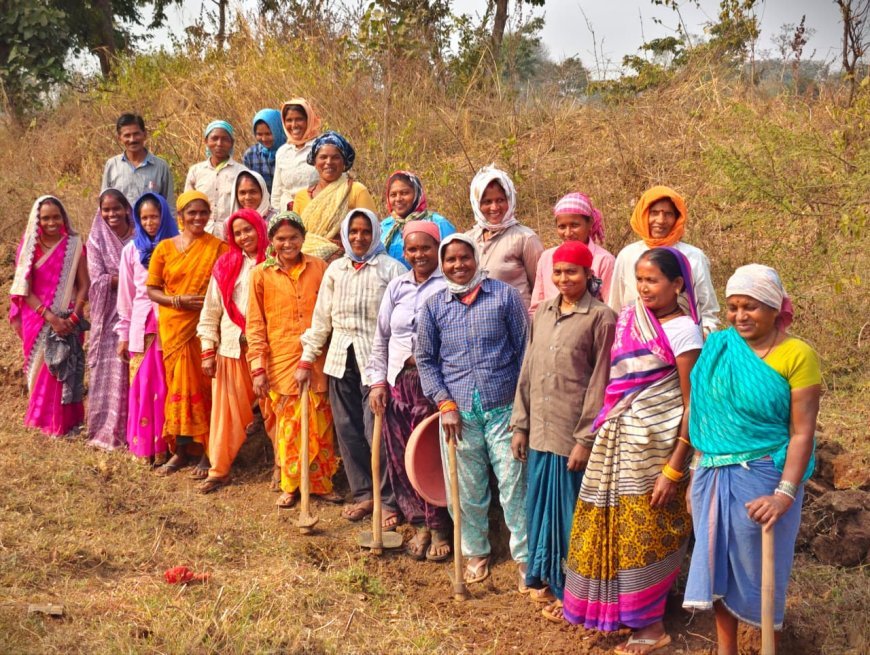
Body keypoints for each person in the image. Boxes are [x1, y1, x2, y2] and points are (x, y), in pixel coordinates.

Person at [561, 247, 702, 655]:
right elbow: (616, 384)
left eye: (653, 280)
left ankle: (652, 626)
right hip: (617, 442)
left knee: (646, 531)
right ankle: (621, 613)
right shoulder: (629, 318)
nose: (644, 288)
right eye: (639, 279)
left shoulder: (685, 332)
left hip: (657, 451)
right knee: (610, 527)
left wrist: (674, 467)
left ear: (677, 284)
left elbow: (692, 404)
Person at [683, 265, 821, 655]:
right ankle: (726, 649)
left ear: (775, 308)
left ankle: (767, 647)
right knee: (718, 567)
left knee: (760, 570)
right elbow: (703, 418)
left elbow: (802, 433)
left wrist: (783, 495)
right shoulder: (717, 348)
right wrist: (693, 475)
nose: (740, 316)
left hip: (765, 477)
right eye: (733, 307)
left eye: (751, 307)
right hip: (711, 476)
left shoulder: (798, 355)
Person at [416, 233, 529, 589]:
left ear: (476, 258)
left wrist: (522, 409)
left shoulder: (503, 296)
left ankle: (525, 557)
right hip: (459, 413)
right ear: (442, 264)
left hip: (504, 408)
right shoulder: (434, 306)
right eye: (450, 259)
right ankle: (476, 552)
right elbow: (425, 360)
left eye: (464, 257)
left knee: (514, 484)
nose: (458, 265)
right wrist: (444, 402)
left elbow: (524, 351)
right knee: (465, 488)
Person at [510, 240, 616, 619]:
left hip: (571, 437)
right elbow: (528, 369)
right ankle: (546, 578)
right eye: (557, 272)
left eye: (572, 271)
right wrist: (520, 425)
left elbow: (601, 382)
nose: (563, 278)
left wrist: (585, 439)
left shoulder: (601, 318)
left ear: (589, 274)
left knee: (570, 518)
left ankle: (572, 592)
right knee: (540, 510)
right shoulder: (543, 312)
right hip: (540, 430)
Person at [298, 209, 405, 521]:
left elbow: (400, 322)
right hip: (340, 360)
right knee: (347, 430)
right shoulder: (336, 270)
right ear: (345, 234)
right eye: (354, 232)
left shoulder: (391, 269)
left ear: (375, 233)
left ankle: (388, 500)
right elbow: (322, 319)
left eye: (365, 231)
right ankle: (364, 494)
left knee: (378, 433)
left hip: (377, 363)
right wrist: (307, 358)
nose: (359, 238)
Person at [366, 221, 453, 561]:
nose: (419, 255)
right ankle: (419, 523)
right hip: (398, 383)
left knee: (433, 457)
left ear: (438, 249)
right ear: (404, 252)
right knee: (402, 457)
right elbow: (382, 337)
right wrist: (377, 383)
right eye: (412, 249)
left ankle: (440, 526)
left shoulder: (448, 285)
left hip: (434, 384)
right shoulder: (397, 286)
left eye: (426, 248)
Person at [247, 212, 340, 507]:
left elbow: (329, 313)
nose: (288, 244)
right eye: (281, 239)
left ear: (303, 238)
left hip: (317, 358)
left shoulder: (319, 267)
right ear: (271, 241)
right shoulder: (260, 274)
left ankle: (321, 484)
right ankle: (291, 484)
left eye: (293, 238)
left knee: (320, 423)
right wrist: (258, 367)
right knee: (289, 428)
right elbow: (255, 324)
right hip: (281, 360)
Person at [146, 191, 229, 477]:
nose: (198, 218)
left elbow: (226, 287)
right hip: (174, 328)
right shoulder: (164, 248)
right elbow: (152, 288)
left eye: (203, 212)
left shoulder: (218, 248)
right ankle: (180, 451)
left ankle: (208, 450)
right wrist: (177, 300)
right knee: (177, 388)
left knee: (206, 387)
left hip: (204, 328)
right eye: (191, 213)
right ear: (180, 216)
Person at [196, 209, 269, 494]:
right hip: (230, 347)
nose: (244, 237)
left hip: (267, 349)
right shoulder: (225, 264)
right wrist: (207, 349)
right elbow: (211, 310)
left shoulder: (274, 260)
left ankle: (284, 469)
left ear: (260, 229)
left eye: (248, 230)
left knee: (275, 410)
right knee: (226, 414)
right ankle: (219, 470)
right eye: (237, 233)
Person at [9, 196, 89, 437]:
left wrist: (75, 317)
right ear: (37, 220)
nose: (51, 222)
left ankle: (66, 422)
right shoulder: (29, 247)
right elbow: (24, 289)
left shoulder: (74, 244)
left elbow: (84, 284)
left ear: (64, 218)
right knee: (43, 371)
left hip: (69, 316)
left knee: (65, 369)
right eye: (45, 218)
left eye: (56, 217)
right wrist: (52, 319)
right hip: (38, 318)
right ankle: (42, 422)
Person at [116, 192, 177, 464]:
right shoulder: (131, 250)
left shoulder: (176, 246)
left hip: (171, 327)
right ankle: (143, 448)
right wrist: (123, 334)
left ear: (164, 217)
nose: (150, 222)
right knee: (143, 387)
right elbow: (126, 296)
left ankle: (167, 447)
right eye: (144, 218)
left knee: (165, 387)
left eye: (155, 216)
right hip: (141, 328)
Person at [608, 185, 719, 334]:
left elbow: (707, 311)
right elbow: (615, 307)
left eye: (668, 214)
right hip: (635, 340)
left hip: (681, 339)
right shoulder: (627, 255)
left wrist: (700, 337)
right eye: (654, 213)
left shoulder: (693, 257)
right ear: (643, 215)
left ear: (677, 218)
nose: (661, 220)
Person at [85, 188, 135, 450]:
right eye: (106, 209)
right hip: (107, 316)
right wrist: (130, 278)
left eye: (116, 208)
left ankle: (134, 431)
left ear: (127, 209)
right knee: (110, 370)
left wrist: (130, 280)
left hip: (138, 312)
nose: (111, 213)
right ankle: (105, 429)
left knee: (135, 370)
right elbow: (97, 281)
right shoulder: (96, 240)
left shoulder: (139, 237)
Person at [466, 165, 543, 309]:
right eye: (487, 202)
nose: (494, 207)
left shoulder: (525, 238)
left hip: (517, 320)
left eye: (500, 200)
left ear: (510, 199)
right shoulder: (468, 240)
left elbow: (541, 289)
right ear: (476, 204)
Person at [293, 131, 378, 260]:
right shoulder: (301, 196)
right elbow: (294, 235)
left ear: (344, 162)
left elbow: (371, 232)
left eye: (335, 157)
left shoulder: (356, 190)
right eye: (323, 157)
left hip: (346, 262)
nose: (329, 162)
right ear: (314, 162)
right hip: (305, 262)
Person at [529, 192, 615, 315]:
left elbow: (612, 307)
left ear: (590, 223)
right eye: (562, 227)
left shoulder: (603, 260)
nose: (568, 233)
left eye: (574, 225)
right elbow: (536, 307)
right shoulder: (546, 258)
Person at [379, 170, 456, 268]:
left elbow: (453, 259)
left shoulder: (438, 224)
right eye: (393, 195)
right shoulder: (383, 228)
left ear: (416, 194)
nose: (398, 199)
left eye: (404, 193)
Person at [184, 120, 246, 240]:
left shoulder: (241, 172)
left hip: (230, 235)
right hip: (201, 234)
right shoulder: (196, 171)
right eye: (214, 138)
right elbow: (186, 205)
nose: (219, 143)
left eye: (225, 139)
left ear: (232, 143)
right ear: (206, 141)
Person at [101, 113, 175, 213]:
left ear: (144, 134)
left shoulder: (161, 167)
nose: (132, 139)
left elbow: (169, 205)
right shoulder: (112, 165)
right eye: (127, 135)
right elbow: (104, 203)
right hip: (121, 223)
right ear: (119, 138)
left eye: (136, 134)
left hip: (150, 222)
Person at [270, 98, 321, 213]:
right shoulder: (283, 152)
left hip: (317, 211)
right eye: (289, 120)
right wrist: (277, 216)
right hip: (289, 215)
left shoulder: (322, 147)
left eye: (299, 119)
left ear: (309, 120)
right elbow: (277, 192)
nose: (293, 125)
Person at [242, 108, 286, 193]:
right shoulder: (250, 155)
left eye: (268, 134)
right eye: (259, 134)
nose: (264, 139)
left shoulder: (290, 152)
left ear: (279, 130)